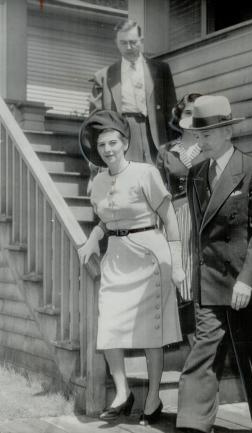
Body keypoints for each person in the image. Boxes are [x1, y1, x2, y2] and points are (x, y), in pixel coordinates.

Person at [176, 95, 252, 433]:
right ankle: (192, 425)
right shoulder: (194, 175)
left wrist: (247, 279)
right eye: (197, 135)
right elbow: (197, 233)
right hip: (210, 280)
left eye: (206, 135)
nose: (200, 141)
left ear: (227, 133)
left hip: (246, 281)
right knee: (203, 352)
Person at [78, 110, 185, 425]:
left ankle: (153, 399)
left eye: (113, 143)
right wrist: (91, 240)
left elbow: (168, 218)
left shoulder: (145, 173)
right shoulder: (98, 181)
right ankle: (123, 393)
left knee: (151, 332)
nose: (108, 150)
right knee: (110, 325)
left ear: (124, 143)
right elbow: (107, 219)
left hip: (149, 255)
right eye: (102, 146)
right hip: (116, 256)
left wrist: (177, 264)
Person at [89, 19, 177, 164]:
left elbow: (172, 112)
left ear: (141, 41)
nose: (129, 47)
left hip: (155, 135)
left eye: (133, 42)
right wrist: (95, 159)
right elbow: (95, 120)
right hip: (123, 133)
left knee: (155, 179)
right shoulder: (104, 76)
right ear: (116, 43)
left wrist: (175, 147)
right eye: (123, 43)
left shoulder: (161, 70)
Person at [157, 93, 205, 316]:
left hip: (204, 217)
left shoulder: (211, 147)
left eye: (197, 113)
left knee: (199, 275)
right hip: (174, 218)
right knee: (177, 275)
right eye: (188, 112)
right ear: (179, 116)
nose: (192, 117)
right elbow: (158, 191)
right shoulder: (166, 150)